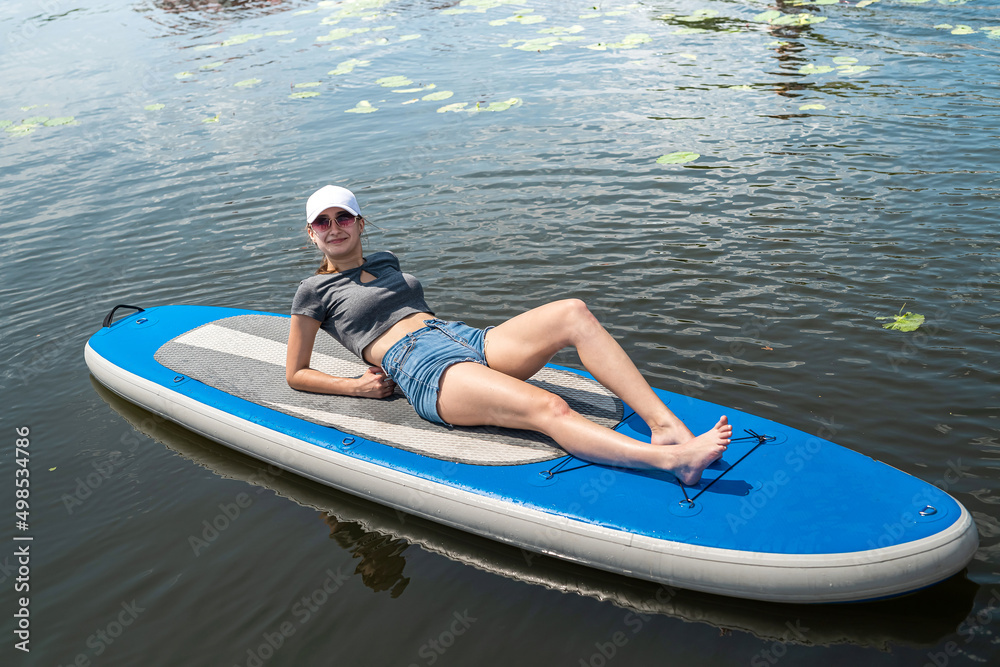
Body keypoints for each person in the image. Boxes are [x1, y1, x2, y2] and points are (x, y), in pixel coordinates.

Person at [286, 185, 731, 484]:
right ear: (311, 234)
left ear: (361, 223)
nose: (334, 227)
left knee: (573, 313)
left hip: (461, 337)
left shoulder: (385, 260)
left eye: (343, 217)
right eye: (322, 222)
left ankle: (665, 426)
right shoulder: (313, 291)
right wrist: (357, 387)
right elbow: (296, 374)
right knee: (548, 407)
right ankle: (674, 461)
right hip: (421, 366)